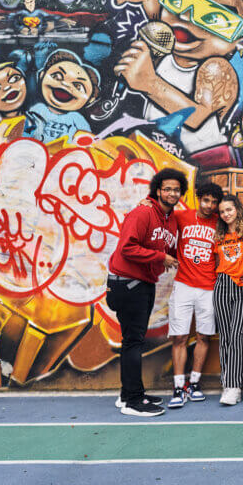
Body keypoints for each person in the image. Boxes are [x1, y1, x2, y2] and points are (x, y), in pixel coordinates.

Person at [109, 0, 243, 155]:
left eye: (214, 18)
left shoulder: (215, 68)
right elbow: (163, 19)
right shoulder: (167, 43)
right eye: (178, 1)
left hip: (198, 162)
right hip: (155, 151)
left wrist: (148, 82)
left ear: (242, 43)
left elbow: (197, 117)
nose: (185, 17)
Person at [106, 168, 184, 417]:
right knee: (133, 342)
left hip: (144, 284)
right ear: (158, 190)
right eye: (167, 189)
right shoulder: (143, 212)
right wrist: (161, 257)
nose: (172, 193)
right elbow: (127, 247)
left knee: (134, 341)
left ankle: (128, 393)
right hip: (128, 283)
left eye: (176, 189)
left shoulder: (169, 218)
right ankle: (132, 401)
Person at [167, 182, 224, 408]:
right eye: (206, 200)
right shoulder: (181, 217)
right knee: (179, 337)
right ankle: (178, 387)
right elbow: (158, 215)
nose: (209, 205)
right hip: (183, 285)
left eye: (214, 202)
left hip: (208, 287)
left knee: (204, 336)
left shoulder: (219, 222)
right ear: (198, 198)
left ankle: (194, 383)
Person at [212, 194, 243, 407]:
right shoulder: (219, 236)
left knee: (237, 334)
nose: (226, 214)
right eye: (222, 211)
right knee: (225, 336)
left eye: (229, 209)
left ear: (237, 209)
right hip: (222, 284)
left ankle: (234, 386)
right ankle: (226, 383)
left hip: (242, 287)